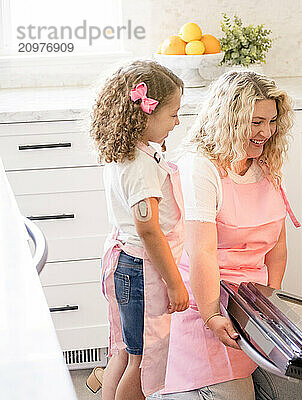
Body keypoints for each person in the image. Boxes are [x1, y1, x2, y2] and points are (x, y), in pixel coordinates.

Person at [150, 71, 302, 400]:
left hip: (251, 306)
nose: (266, 132)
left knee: (298, 394)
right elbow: (203, 254)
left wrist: (271, 307)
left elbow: (277, 248)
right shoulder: (202, 166)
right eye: (256, 122)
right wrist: (211, 315)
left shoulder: (264, 163)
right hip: (206, 301)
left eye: (271, 121)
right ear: (231, 118)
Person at [89, 60, 190, 400]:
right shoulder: (140, 166)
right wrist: (175, 284)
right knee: (143, 359)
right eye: (173, 114)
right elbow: (148, 230)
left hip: (127, 264)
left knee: (125, 350)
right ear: (146, 115)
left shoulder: (127, 152)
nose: (178, 122)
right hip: (143, 270)